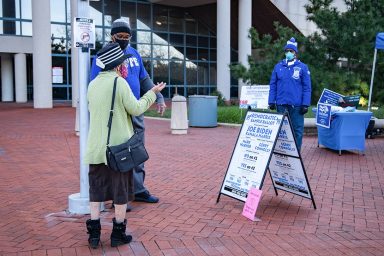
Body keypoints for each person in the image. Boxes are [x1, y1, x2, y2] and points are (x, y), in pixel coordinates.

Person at [84, 42, 165, 249]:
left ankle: (93, 236)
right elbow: (136, 108)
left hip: (96, 149)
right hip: (118, 150)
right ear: (117, 65)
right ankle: (117, 234)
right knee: (120, 192)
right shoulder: (119, 83)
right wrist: (153, 92)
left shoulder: (92, 85)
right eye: (122, 62)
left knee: (96, 190)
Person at [90, 18, 166, 207]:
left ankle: (138, 190)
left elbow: (144, 78)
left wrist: (159, 97)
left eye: (127, 36)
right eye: (120, 36)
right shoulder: (103, 56)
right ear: (112, 36)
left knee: (137, 152)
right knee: (118, 153)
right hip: (116, 113)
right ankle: (119, 197)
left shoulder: (134, 54)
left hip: (136, 109)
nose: (124, 39)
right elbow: (95, 84)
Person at [268, 37, 312, 151]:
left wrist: (305, 104)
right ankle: (281, 152)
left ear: (295, 53)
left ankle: (296, 153)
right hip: (281, 104)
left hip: (296, 106)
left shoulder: (302, 67)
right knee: (281, 130)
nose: (288, 53)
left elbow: (307, 88)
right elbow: (273, 85)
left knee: (297, 130)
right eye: (287, 51)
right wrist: (271, 101)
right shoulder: (278, 66)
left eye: (291, 51)